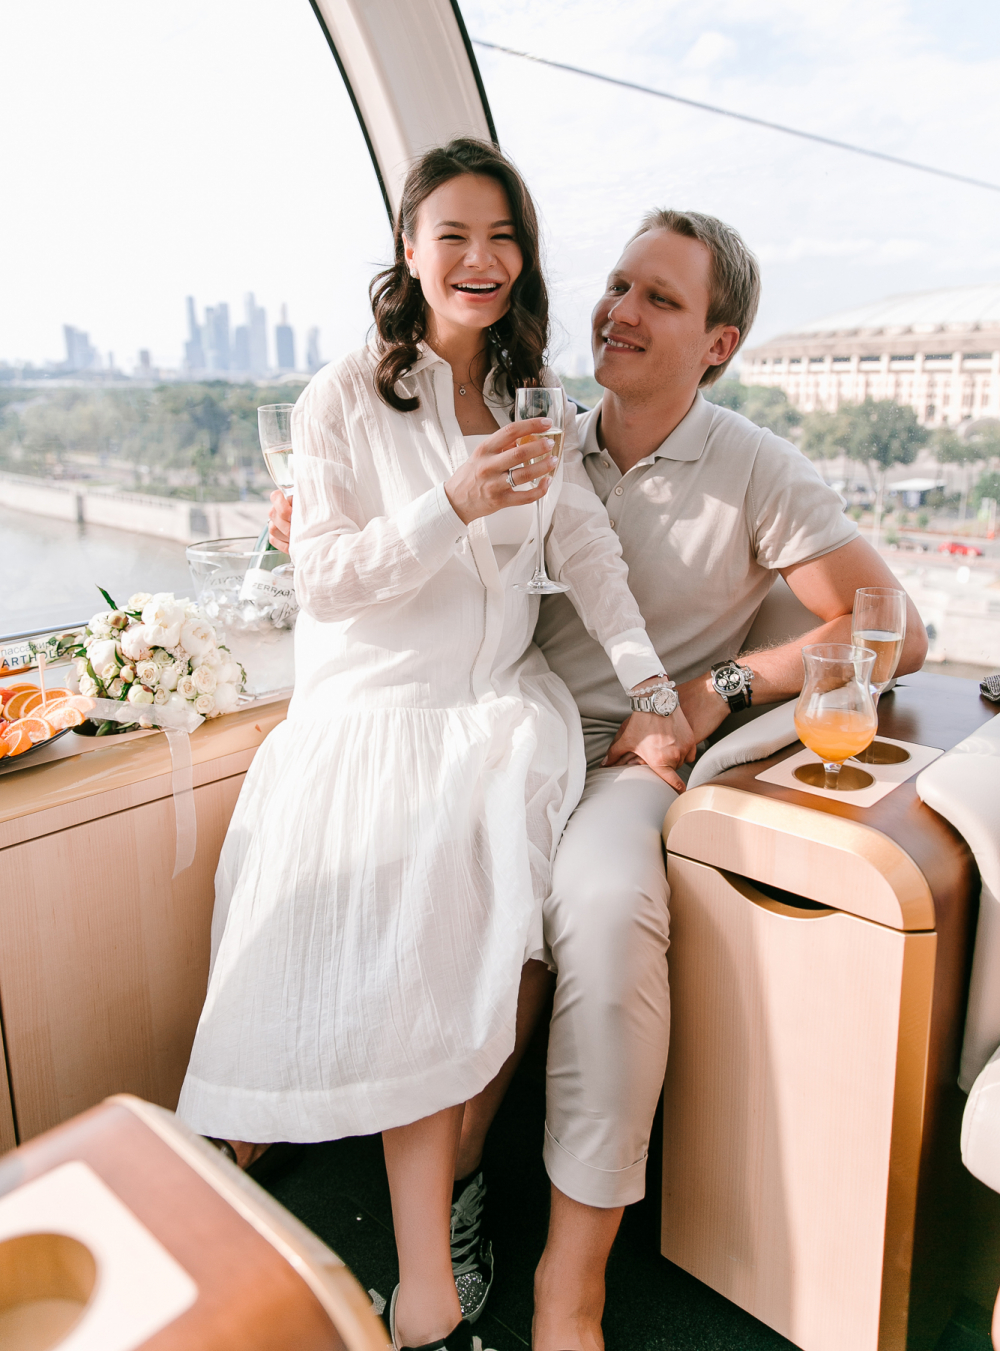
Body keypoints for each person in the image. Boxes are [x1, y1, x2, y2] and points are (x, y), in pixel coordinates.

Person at [270, 205, 928, 1351]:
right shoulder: (539, 432)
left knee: (607, 904)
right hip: (504, 732)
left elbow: (896, 631)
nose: (619, 311)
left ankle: (570, 1287)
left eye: (659, 298)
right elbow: (410, 547)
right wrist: (312, 530)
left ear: (717, 342)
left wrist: (716, 687)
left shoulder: (756, 467)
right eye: (618, 285)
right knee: (439, 897)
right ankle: (447, 1196)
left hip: (631, 749)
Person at [177, 138, 692, 1351]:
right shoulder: (342, 397)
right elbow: (329, 581)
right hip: (376, 717)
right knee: (415, 939)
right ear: (408, 251)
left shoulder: (529, 397)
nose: (480, 258)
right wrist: (448, 502)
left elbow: (587, 556)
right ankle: (402, 1274)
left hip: (499, 714)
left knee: (470, 935)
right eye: (452, 234)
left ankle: (431, 1259)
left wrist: (652, 686)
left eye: (502, 236)